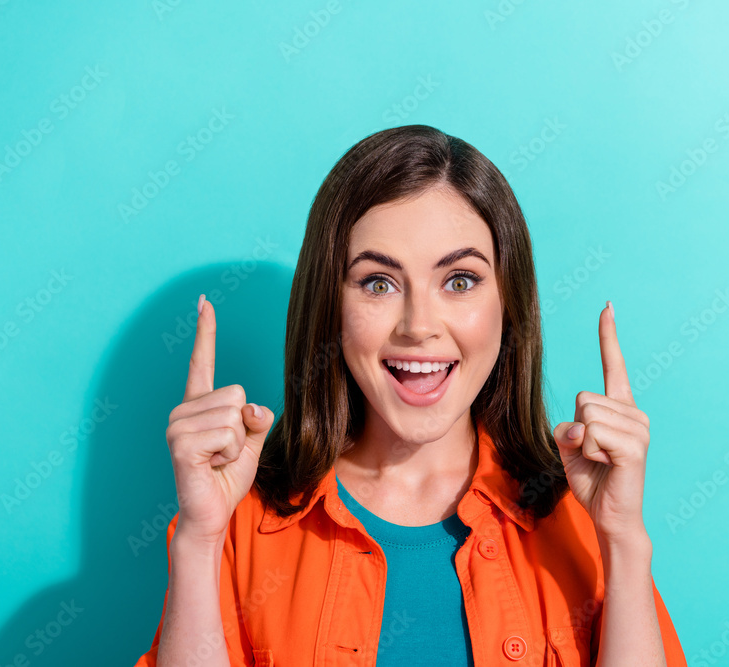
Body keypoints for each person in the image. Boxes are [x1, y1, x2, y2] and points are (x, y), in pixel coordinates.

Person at [133, 125, 687, 666]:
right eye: (378, 283)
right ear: (332, 307)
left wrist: (623, 541)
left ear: (507, 305)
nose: (419, 326)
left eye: (460, 280)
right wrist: (199, 541)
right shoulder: (239, 524)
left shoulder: (582, 518)